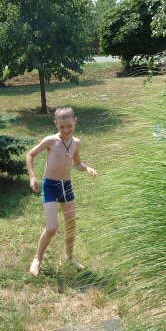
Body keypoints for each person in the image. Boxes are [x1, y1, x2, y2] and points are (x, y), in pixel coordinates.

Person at [26, 107, 98, 276]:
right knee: (52, 228)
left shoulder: (77, 143)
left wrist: (87, 168)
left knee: (71, 224)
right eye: (62, 127)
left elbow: (77, 164)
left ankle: (70, 257)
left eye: (69, 126)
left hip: (66, 186)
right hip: (50, 186)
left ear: (75, 122)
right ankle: (37, 259)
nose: (66, 130)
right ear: (56, 124)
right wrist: (32, 176)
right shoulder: (51, 141)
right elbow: (30, 155)